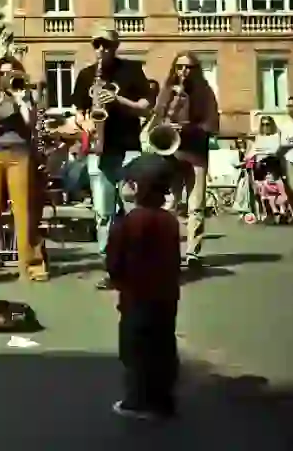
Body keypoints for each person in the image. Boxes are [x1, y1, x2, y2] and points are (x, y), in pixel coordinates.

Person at [71, 25, 153, 290]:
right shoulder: (85, 75)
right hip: (99, 150)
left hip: (128, 148)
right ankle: (112, 268)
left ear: (115, 46)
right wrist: (85, 123)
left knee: (131, 210)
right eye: (96, 44)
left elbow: (146, 108)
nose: (101, 49)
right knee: (103, 214)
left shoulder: (131, 70)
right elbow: (78, 112)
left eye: (106, 44)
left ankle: (138, 267)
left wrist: (118, 100)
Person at [105, 153, 181, 420]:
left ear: (135, 187)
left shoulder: (128, 223)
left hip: (136, 297)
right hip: (166, 297)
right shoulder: (169, 221)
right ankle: (163, 401)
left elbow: (114, 262)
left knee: (135, 352)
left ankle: (137, 402)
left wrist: (116, 279)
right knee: (163, 348)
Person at [0, 56, 49, 283]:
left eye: (12, 72)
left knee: (25, 212)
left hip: (20, 155)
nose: (8, 76)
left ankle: (32, 265)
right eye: (3, 73)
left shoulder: (25, 95)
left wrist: (21, 100)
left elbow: (31, 124)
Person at [150, 51, 220, 267]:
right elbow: (156, 118)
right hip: (171, 154)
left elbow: (212, 125)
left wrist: (187, 129)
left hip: (196, 153)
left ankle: (193, 253)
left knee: (196, 204)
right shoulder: (167, 91)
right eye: (179, 67)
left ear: (195, 70)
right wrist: (165, 119)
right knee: (169, 203)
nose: (183, 72)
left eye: (188, 67)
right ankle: (166, 250)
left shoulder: (205, 92)